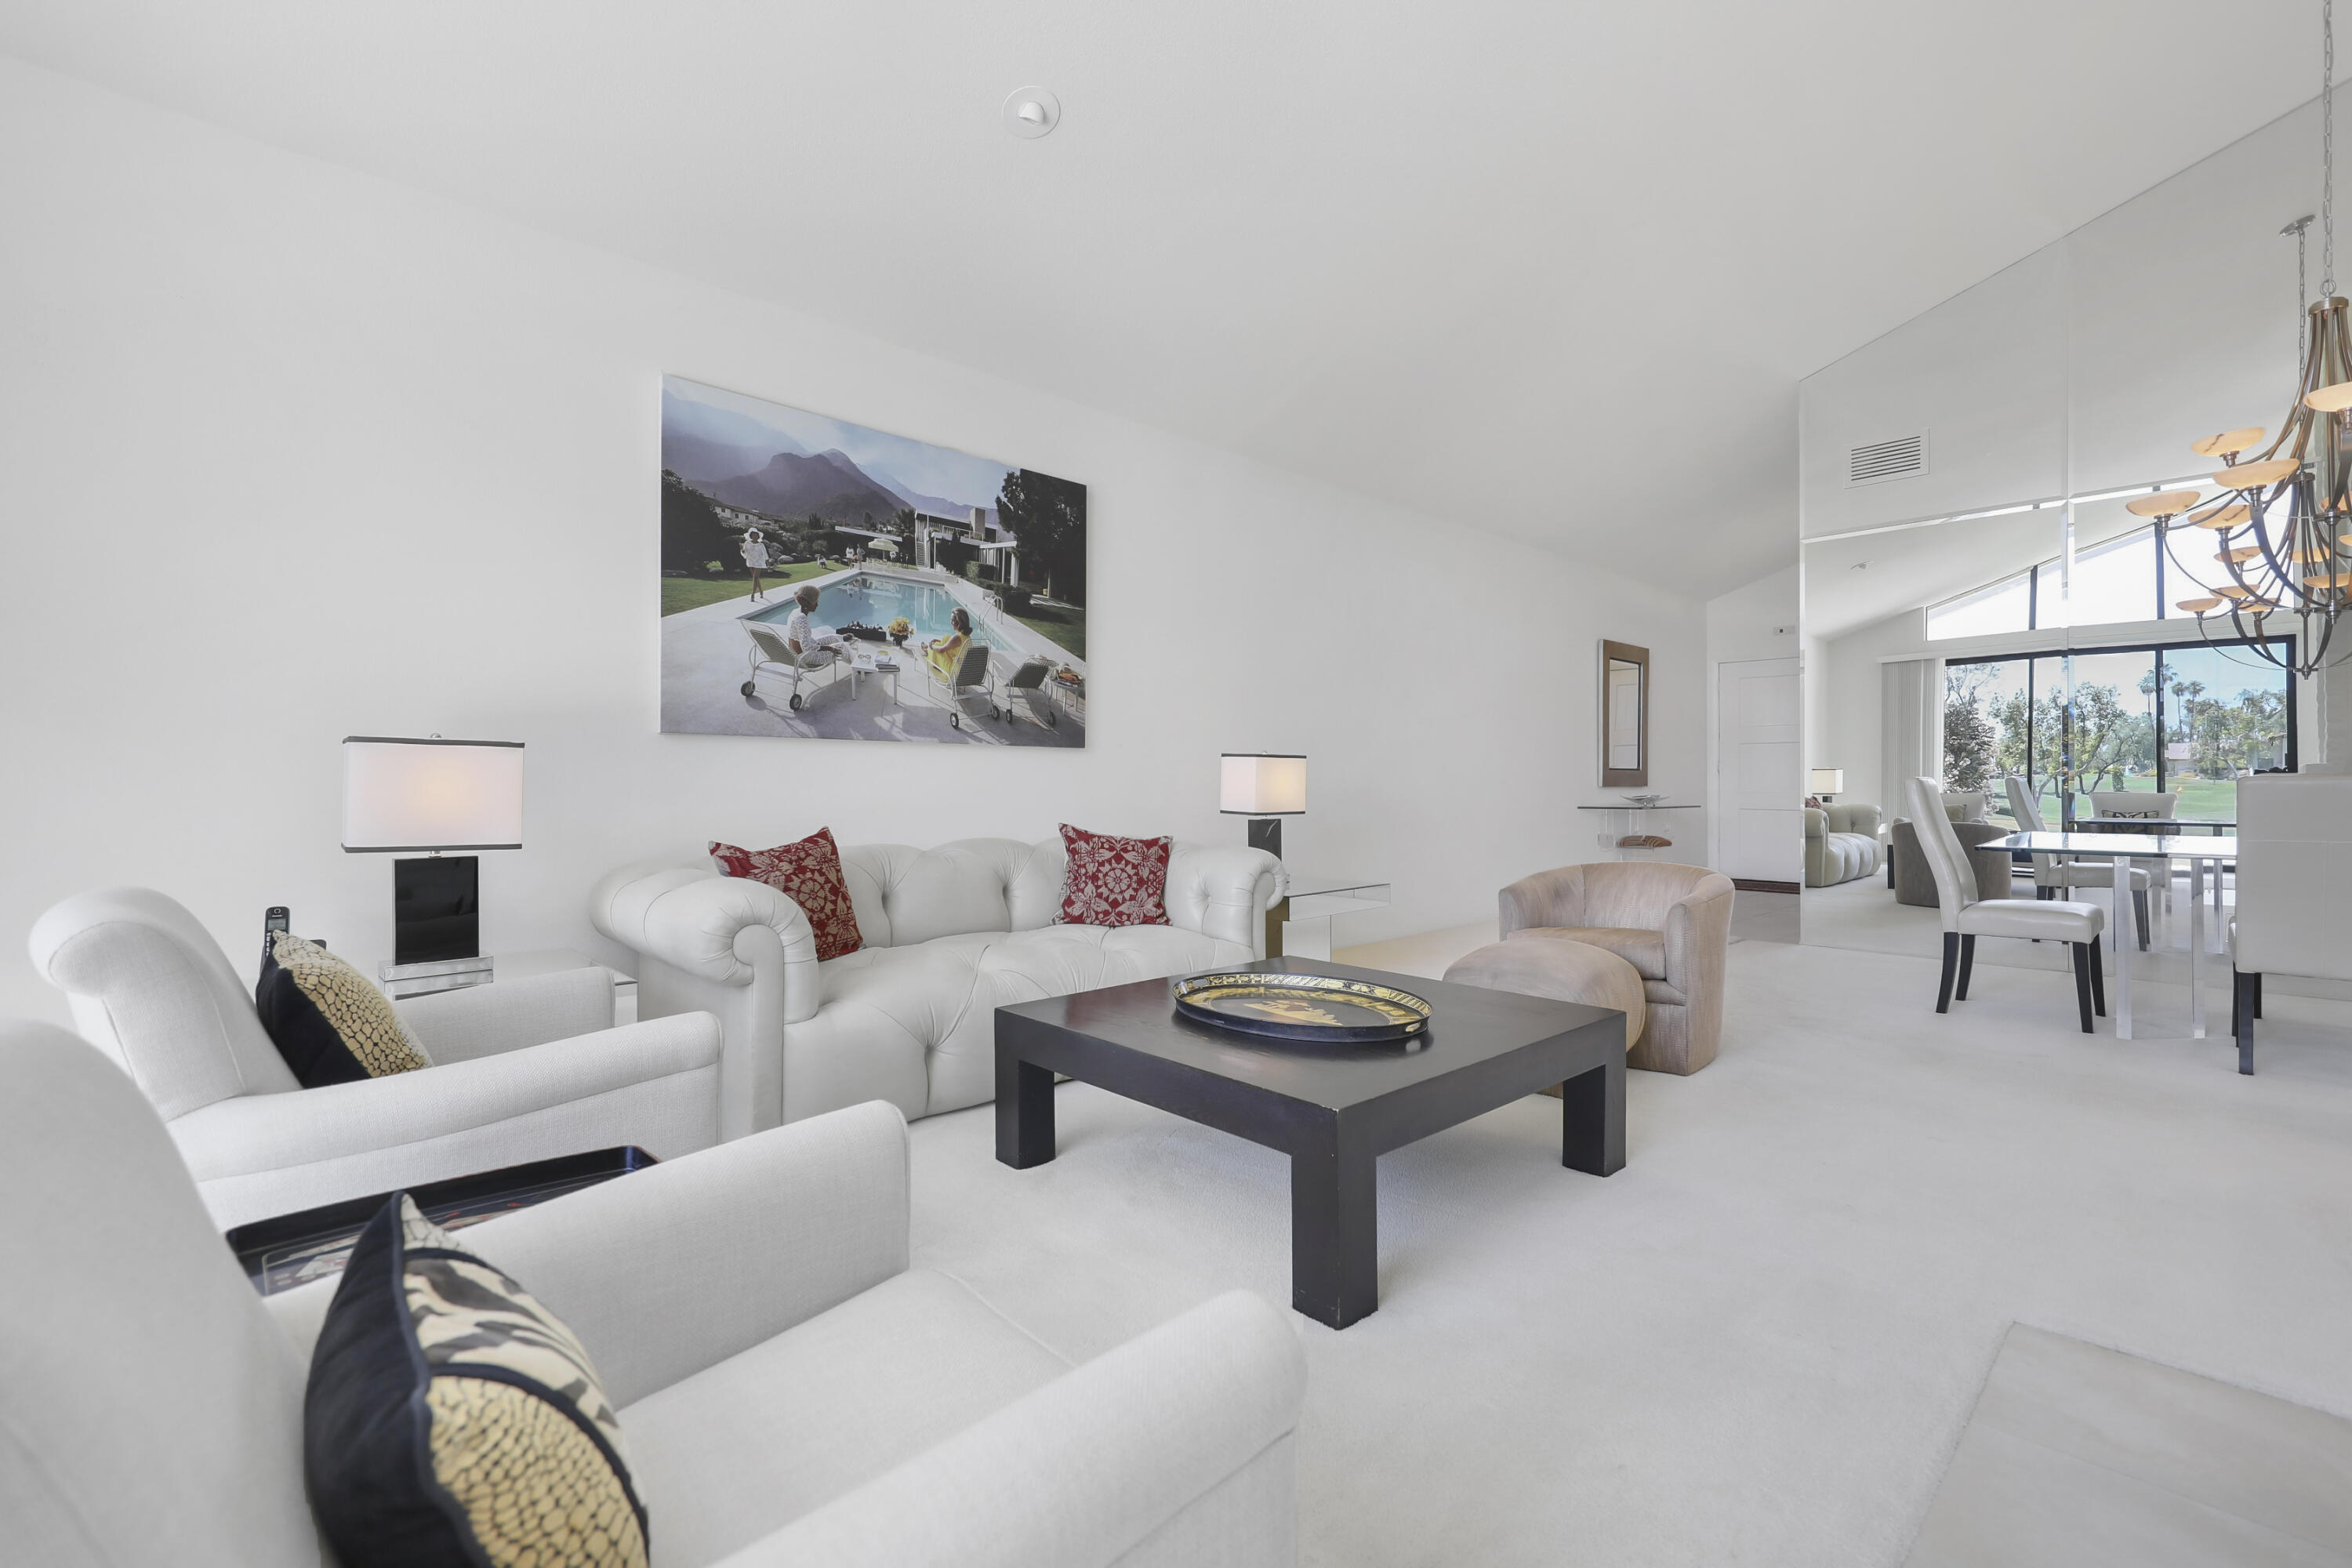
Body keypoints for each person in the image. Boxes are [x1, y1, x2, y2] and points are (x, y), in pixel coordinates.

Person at [783, 583, 851, 666]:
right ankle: (859, 667)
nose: (817, 605)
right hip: (807, 658)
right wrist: (829, 648)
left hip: (801, 652)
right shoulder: (801, 618)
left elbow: (805, 642)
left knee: (832, 637)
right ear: (808, 603)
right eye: (816, 602)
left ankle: (841, 638)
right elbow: (807, 647)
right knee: (843, 647)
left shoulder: (795, 612)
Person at [923, 607, 974, 681]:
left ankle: (928, 650)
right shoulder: (967, 637)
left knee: (936, 650)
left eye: (953, 621)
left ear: (959, 623)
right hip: (962, 671)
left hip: (952, 673)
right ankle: (928, 649)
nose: (951, 623)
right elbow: (952, 644)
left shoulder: (957, 638)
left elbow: (941, 650)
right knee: (946, 638)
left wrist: (932, 646)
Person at [739, 528, 770, 601]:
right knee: (756, 578)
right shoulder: (747, 543)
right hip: (751, 561)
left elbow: (765, 554)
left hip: (759, 562)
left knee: (755, 577)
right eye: (753, 534)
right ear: (751, 535)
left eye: (756, 534)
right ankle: (761, 591)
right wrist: (742, 549)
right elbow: (745, 553)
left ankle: (752, 594)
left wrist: (768, 564)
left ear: (758, 536)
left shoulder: (761, 545)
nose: (755, 536)